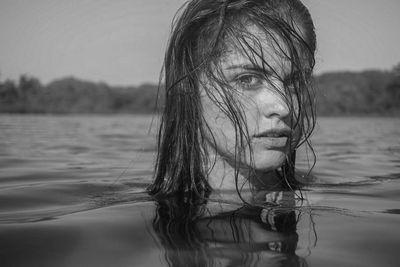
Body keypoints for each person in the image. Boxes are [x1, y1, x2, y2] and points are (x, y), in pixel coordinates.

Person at [148, 0, 316, 204]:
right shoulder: (131, 221)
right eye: (247, 79)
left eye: (294, 81)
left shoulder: (318, 201)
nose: (283, 107)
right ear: (189, 87)